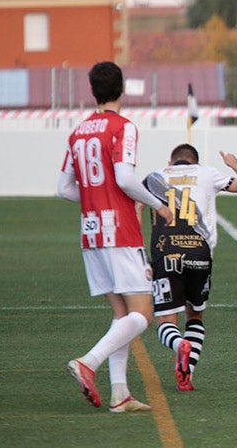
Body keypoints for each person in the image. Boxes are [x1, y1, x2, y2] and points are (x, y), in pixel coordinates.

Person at [57, 61, 173, 412]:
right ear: (121, 89)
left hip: (91, 230)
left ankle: (119, 393)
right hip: (119, 229)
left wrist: (96, 197)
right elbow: (124, 178)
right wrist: (159, 205)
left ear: (93, 91)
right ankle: (88, 362)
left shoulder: (78, 132)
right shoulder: (124, 127)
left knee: (123, 315)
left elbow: (64, 189)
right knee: (144, 314)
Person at [144, 144, 237, 391]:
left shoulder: (155, 176)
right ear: (195, 162)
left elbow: (134, 208)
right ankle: (187, 375)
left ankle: (178, 345)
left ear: (171, 162)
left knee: (166, 320)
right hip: (200, 253)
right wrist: (233, 164)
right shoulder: (207, 173)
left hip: (166, 253)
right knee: (194, 316)